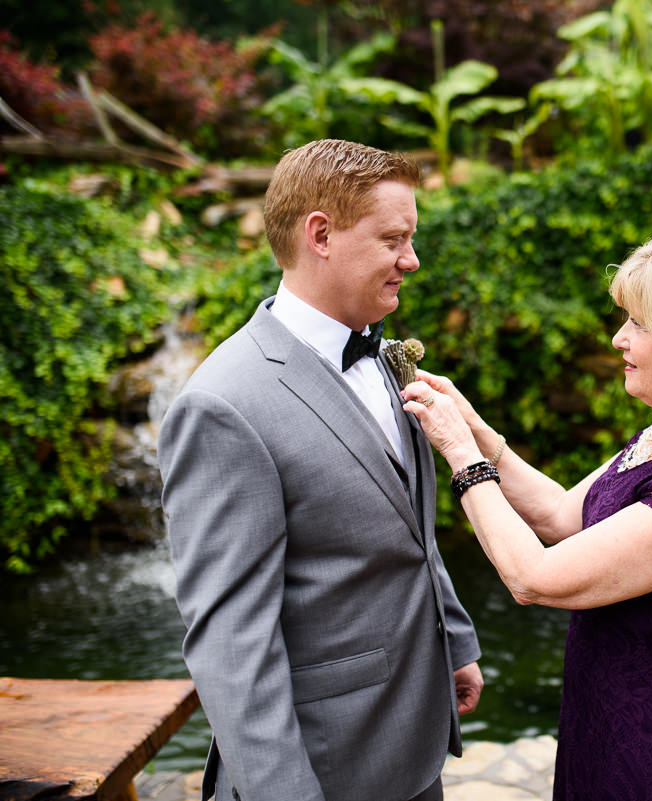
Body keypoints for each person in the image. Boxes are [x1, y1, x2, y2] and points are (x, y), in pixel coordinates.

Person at [402, 229, 652, 801]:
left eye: (640, 324)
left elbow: (534, 579)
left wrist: (460, 455)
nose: (619, 339)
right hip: (607, 708)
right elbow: (563, 514)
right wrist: (474, 428)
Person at [158, 139, 483, 801]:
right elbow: (231, 643)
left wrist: (452, 636)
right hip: (327, 766)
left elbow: (406, 523)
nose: (411, 260)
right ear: (320, 234)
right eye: (394, 238)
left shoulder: (383, 352)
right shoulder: (223, 404)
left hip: (410, 745)